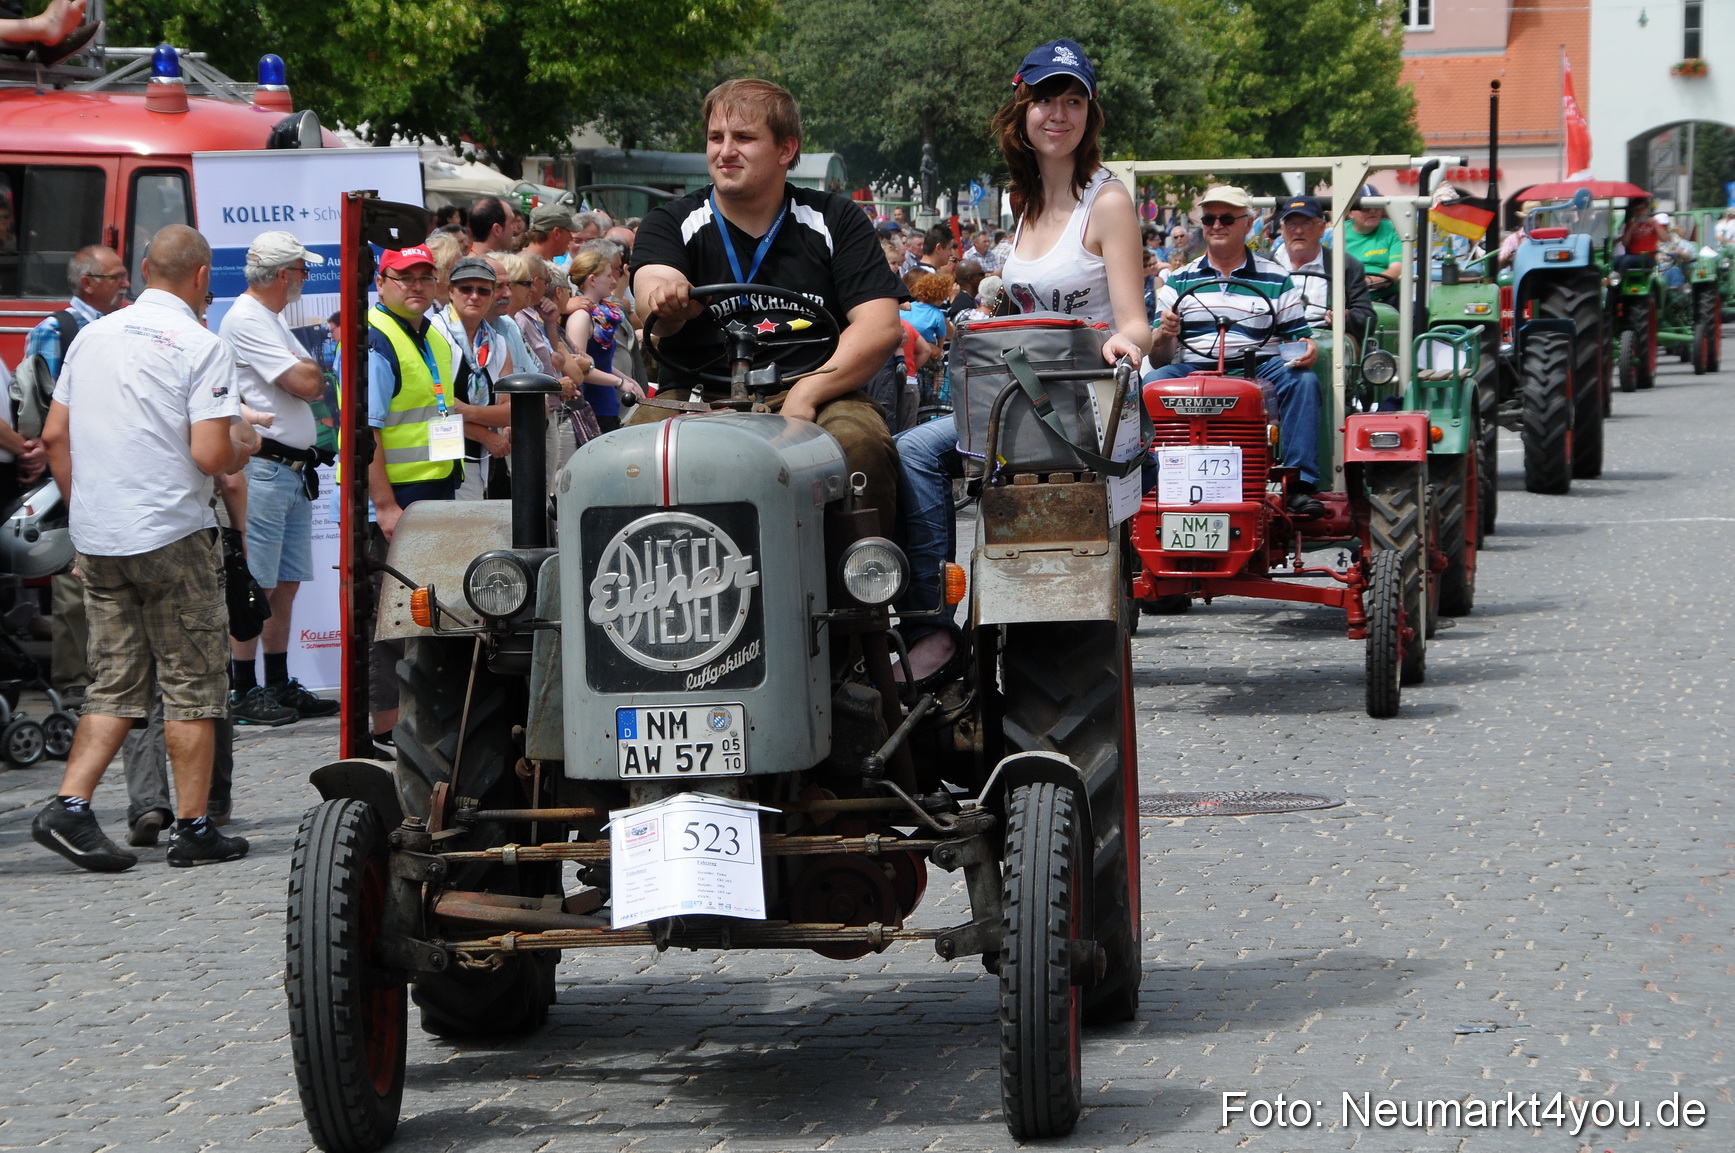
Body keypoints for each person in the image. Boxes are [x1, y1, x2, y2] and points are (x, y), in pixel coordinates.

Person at [895, 39, 1152, 685]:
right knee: (909, 451)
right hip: (1018, 395)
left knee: (924, 451)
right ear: (1022, 109)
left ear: (1089, 116)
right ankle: (930, 623)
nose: (1057, 114)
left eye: (1073, 101)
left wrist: (1123, 344)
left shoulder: (1108, 200)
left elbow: (1134, 323)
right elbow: (1027, 302)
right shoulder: (1022, 201)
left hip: (1082, 399)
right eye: (1044, 99)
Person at [32, 224, 259, 872]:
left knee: (116, 679)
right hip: (169, 531)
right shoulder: (199, 343)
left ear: (142, 269)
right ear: (201, 276)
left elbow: (54, 436)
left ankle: (70, 804)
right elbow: (211, 454)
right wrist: (244, 440)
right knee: (192, 680)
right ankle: (193, 825)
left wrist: (85, 513)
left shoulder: (93, 335)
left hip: (100, 536)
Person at [631, 77, 905, 530]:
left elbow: (879, 326)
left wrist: (806, 394)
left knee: (861, 442)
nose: (725, 151)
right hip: (696, 394)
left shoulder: (837, 219)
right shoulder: (671, 220)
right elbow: (652, 288)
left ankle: (862, 586)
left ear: (785, 150)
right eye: (716, 138)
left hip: (816, 388)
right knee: (627, 451)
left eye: (744, 138)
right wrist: (665, 297)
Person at [1149, 185, 1323, 517]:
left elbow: (1296, 338)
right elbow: (1160, 356)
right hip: (1195, 368)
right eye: (1210, 218)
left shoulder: (1275, 277)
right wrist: (1164, 335)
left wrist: (1307, 348)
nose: (1217, 225)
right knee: (1152, 383)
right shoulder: (1179, 280)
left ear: (1247, 223)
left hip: (1259, 366)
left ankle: (1300, 484)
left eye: (1227, 218)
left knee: (1303, 382)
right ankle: (1155, 480)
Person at [220, 230, 337, 725]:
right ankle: (244, 688)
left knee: (284, 584)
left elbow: (313, 379)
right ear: (284, 274)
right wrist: (312, 368)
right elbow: (310, 381)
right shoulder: (248, 318)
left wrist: (311, 371)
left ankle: (276, 680)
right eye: (302, 271)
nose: (306, 279)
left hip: (287, 468)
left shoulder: (266, 318)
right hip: (266, 467)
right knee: (258, 585)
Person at [364, 245, 459, 752]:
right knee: (391, 615)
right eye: (405, 278)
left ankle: (415, 716)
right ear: (382, 282)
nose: (416, 286)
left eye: (425, 277)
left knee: (420, 610)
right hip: (399, 497)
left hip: (432, 489)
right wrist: (384, 506)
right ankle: (383, 727)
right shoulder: (380, 338)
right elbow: (368, 431)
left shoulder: (426, 334)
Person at [431, 256, 515, 502]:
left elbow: (510, 410)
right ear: (450, 291)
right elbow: (432, 410)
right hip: (438, 462)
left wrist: (465, 411)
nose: (474, 296)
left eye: (483, 290)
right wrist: (486, 435)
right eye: (466, 288)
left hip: (478, 465)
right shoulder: (434, 332)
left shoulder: (497, 344)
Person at [1270, 194, 1375, 345]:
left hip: (1327, 340)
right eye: (1291, 224)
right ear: (1282, 229)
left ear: (1322, 228)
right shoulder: (1263, 265)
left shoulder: (1346, 265)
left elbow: (1367, 317)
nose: (1298, 231)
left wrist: (1345, 317)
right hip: (1273, 340)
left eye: (1306, 224)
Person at [567, 245, 641, 436]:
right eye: (608, 276)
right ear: (592, 280)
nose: (614, 281)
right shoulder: (581, 317)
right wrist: (618, 382)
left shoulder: (602, 313)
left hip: (607, 406)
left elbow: (601, 363)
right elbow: (579, 368)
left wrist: (627, 379)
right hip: (593, 408)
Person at [1342, 185, 1403, 299]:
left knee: (1418, 312)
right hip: (1346, 299)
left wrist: (1366, 282)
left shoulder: (1395, 229)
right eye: (1365, 207)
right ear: (1350, 212)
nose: (1373, 211)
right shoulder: (1335, 233)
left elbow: (1396, 271)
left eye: (1377, 205)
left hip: (1387, 298)